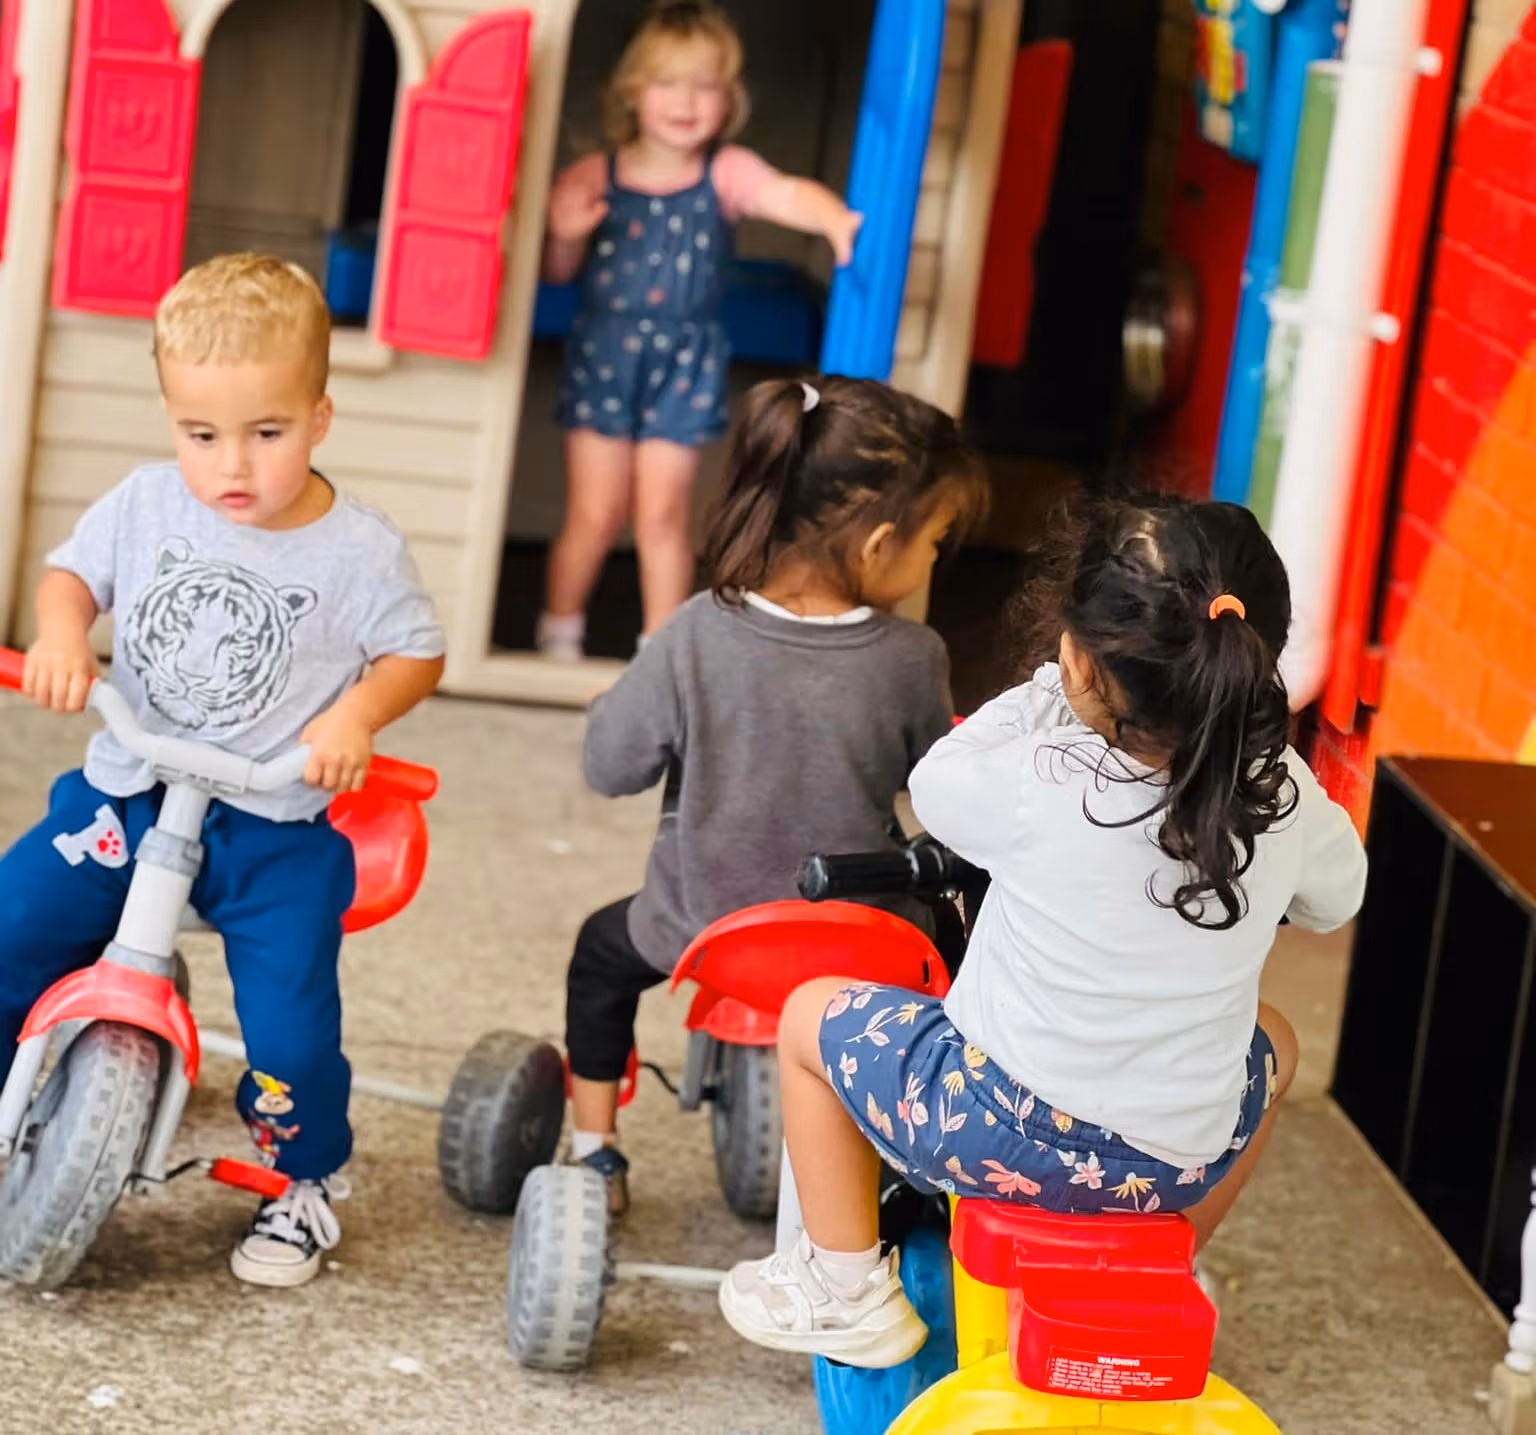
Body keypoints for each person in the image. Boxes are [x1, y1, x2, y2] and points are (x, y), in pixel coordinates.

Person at [720, 494, 1369, 1368]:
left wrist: (1043, 697)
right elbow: (1340, 896)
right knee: (1277, 1043)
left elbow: (937, 786)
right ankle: (1168, 1262)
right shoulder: (1278, 791)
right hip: (1175, 1160)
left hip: (992, 1129)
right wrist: (1266, 764)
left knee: (808, 1017)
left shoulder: (1038, 775)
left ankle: (840, 1288)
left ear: (1081, 659)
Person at [1, 253, 445, 1288]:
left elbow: (416, 651)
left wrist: (357, 712)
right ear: (171, 421)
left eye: (267, 432)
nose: (232, 464)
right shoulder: (149, 503)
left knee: (293, 1024)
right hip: (130, 787)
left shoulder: (358, 552)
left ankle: (302, 1180)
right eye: (201, 434)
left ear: (321, 416)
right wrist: (64, 634)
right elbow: (71, 577)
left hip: (272, 820)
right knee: (15, 918)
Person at [565, 375, 987, 1214]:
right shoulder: (910, 658)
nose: (934, 560)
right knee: (967, 956)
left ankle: (594, 1153)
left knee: (599, 957)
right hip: (862, 945)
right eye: (935, 541)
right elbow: (944, 799)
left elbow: (608, 767)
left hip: (707, 932)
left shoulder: (692, 633)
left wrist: (618, 712)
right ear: (877, 545)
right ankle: (935, 1153)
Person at [536, 0, 863, 662]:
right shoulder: (594, 174)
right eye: (668, 82)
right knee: (594, 514)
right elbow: (554, 271)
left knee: (661, 516)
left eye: (706, 84)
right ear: (634, 92)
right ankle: (557, 632)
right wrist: (564, 238)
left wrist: (835, 219)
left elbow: (788, 194)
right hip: (604, 357)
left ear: (729, 97)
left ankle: (659, 652)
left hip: (684, 362)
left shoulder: (726, 171)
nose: (687, 101)